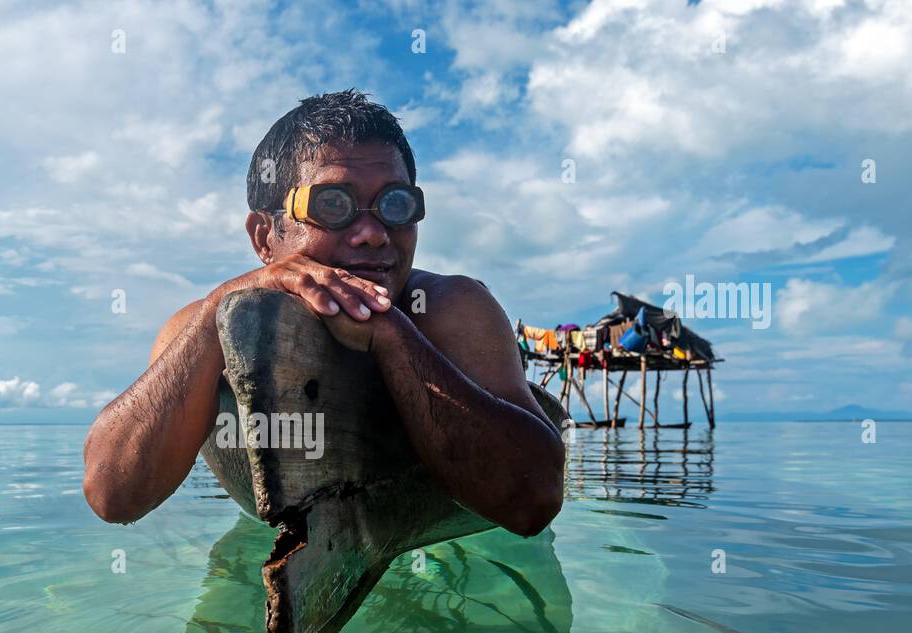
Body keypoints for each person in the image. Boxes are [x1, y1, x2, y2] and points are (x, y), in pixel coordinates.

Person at [83, 90, 564, 537]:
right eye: (334, 204)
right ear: (264, 238)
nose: (373, 233)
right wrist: (214, 317)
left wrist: (394, 338)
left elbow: (532, 503)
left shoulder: (448, 309)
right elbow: (113, 496)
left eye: (395, 205)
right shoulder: (205, 323)